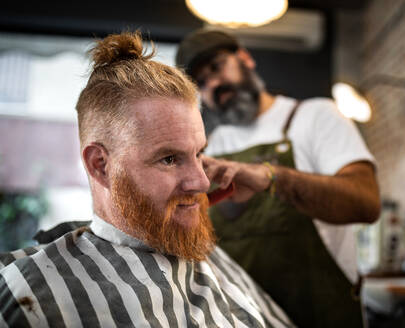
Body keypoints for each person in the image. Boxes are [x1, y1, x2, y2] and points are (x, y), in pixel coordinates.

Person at [0, 32, 294, 328]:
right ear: (100, 165)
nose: (202, 182)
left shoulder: (210, 257)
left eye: (199, 154)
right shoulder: (36, 295)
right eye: (168, 159)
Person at [176, 29, 381, 327]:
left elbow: (367, 202)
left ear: (245, 58)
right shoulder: (208, 147)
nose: (215, 84)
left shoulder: (316, 117)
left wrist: (273, 178)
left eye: (217, 67)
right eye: (202, 82)